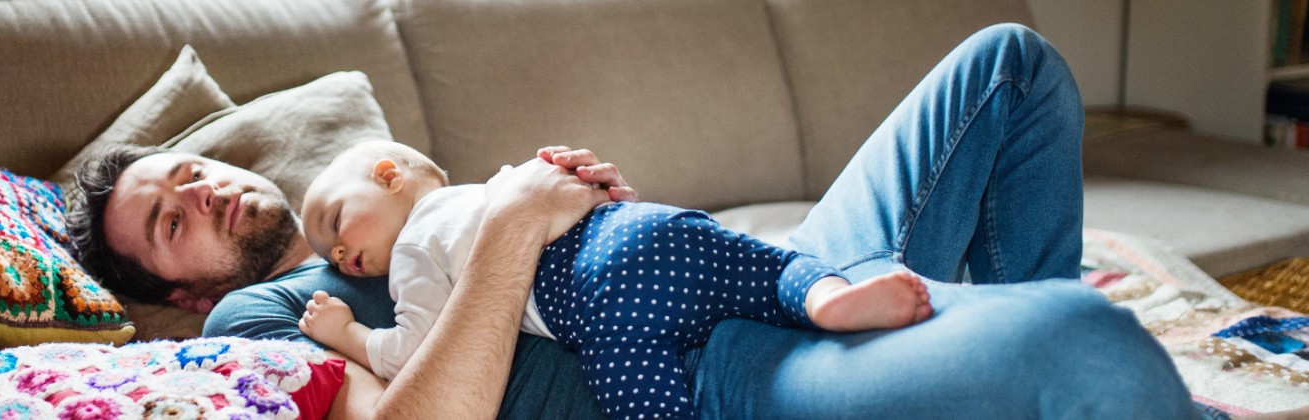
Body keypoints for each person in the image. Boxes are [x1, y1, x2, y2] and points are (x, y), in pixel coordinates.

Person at [69, 24, 1200, 418]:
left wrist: (585, 208)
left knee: (1007, 68)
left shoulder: (388, 196)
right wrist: (513, 227)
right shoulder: (257, 334)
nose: (202, 192)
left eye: (185, 170)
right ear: (183, 295)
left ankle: (962, 367)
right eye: (170, 223)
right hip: (706, 384)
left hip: (746, 277)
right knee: (1081, 342)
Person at [293, 140, 932, 418]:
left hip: (608, 293)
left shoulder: (415, 248)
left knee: (628, 375)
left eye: (336, 221)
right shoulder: (504, 181)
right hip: (661, 230)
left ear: (388, 176)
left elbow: (412, 352)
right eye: (327, 250)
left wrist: (346, 333)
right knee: (762, 266)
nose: (339, 249)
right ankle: (828, 298)